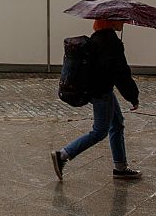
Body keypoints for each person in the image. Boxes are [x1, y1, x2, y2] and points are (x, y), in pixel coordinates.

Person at [51, 19, 142, 181]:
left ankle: (120, 167)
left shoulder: (96, 38)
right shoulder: (111, 43)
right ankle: (63, 155)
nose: (123, 23)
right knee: (99, 131)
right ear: (110, 22)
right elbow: (122, 75)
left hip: (97, 89)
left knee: (117, 123)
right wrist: (132, 97)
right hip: (102, 92)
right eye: (120, 20)